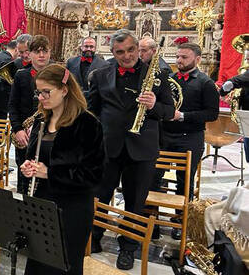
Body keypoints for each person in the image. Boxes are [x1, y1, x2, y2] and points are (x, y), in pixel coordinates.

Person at [87, 29, 174, 270]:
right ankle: (94, 237)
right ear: (112, 52)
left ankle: (128, 248)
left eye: (130, 50)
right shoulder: (100, 74)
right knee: (99, 195)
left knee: (136, 202)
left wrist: (155, 105)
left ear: (138, 49)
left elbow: (168, 111)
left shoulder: (158, 74)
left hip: (142, 149)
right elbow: (92, 111)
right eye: (119, 52)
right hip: (108, 147)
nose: (126, 56)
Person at [21, 64, 105, 274]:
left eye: (46, 92)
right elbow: (34, 158)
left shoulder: (87, 123)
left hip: (71, 210)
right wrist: (29, 167)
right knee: (37, 265)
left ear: (65, 90)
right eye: (38, 92)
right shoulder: (42, 120)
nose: (41, 97)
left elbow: (93, 176)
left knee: (63, 266)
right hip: (41, 205)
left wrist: (49, 173)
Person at [156, 43, 219, 239]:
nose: (179, 60)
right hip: (165, 135)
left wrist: (183, 116)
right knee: (155, 177)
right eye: (178, 56)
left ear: (197, 59)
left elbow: (212, 114)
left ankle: (179, 221)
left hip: (189, 138)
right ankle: (153, 219)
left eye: (184, 57)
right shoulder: (171, 79)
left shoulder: (206, 83)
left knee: (184, 182)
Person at [9, 35, 51, 194]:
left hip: (49, 135)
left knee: (44, 179)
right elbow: (12, 106)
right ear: (30, 54)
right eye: (37, 51)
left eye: (45, 51)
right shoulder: (21, 75)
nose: (41, 55)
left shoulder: (57, 75)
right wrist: (18, 129)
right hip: (25, 136)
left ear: (50, 53)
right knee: (24, 177)